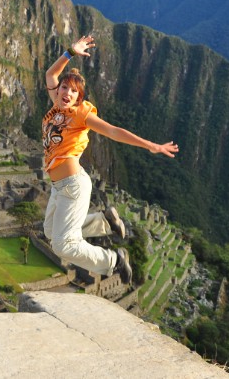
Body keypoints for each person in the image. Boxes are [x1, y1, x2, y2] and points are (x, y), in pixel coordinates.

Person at [42, 34, 179, 284]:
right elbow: (51, 73)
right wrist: (70, 52)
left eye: (74, 91)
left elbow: (113, 131)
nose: (67, 93)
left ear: (79, 98)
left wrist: (150, 145)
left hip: (73, 184)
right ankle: (103, 220)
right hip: (58, 187)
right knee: (50, 232)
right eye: (64, 87)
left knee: (63, 245)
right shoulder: (55, 107)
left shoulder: (81, 114)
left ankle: (114, 260)